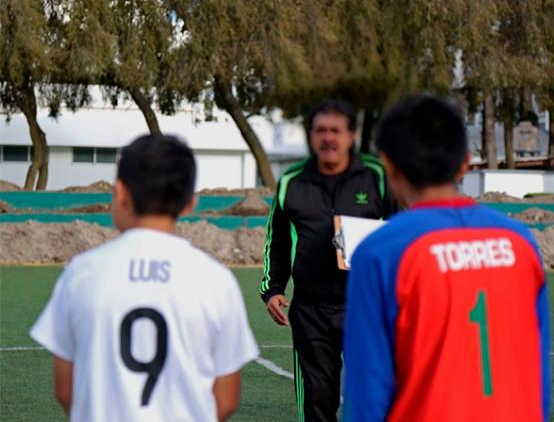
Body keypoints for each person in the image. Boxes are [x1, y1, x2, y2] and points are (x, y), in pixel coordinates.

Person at [343, 96, 551, 421]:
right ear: (465, 163)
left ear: (389, 165)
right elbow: (539, 373)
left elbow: (368, 392)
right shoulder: (520, 243)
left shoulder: (381, 251)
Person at [30, 135, 259, 422]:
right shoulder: (216, 280)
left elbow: (66, 390)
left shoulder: (82, 273)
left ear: (121, 193)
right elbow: (225, 399)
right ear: (190, 203)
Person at [259, 99, 397, 421]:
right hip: (311, 310)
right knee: (318, 400)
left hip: (365, 306)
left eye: (336, 131)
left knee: (372, 397)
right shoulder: (291, 181)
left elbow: (400, 234)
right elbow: (276, 238)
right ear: (311, 136)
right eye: (321, 130)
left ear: (351, 135)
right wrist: (273, 287)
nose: (328, 138)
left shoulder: (376, 177)